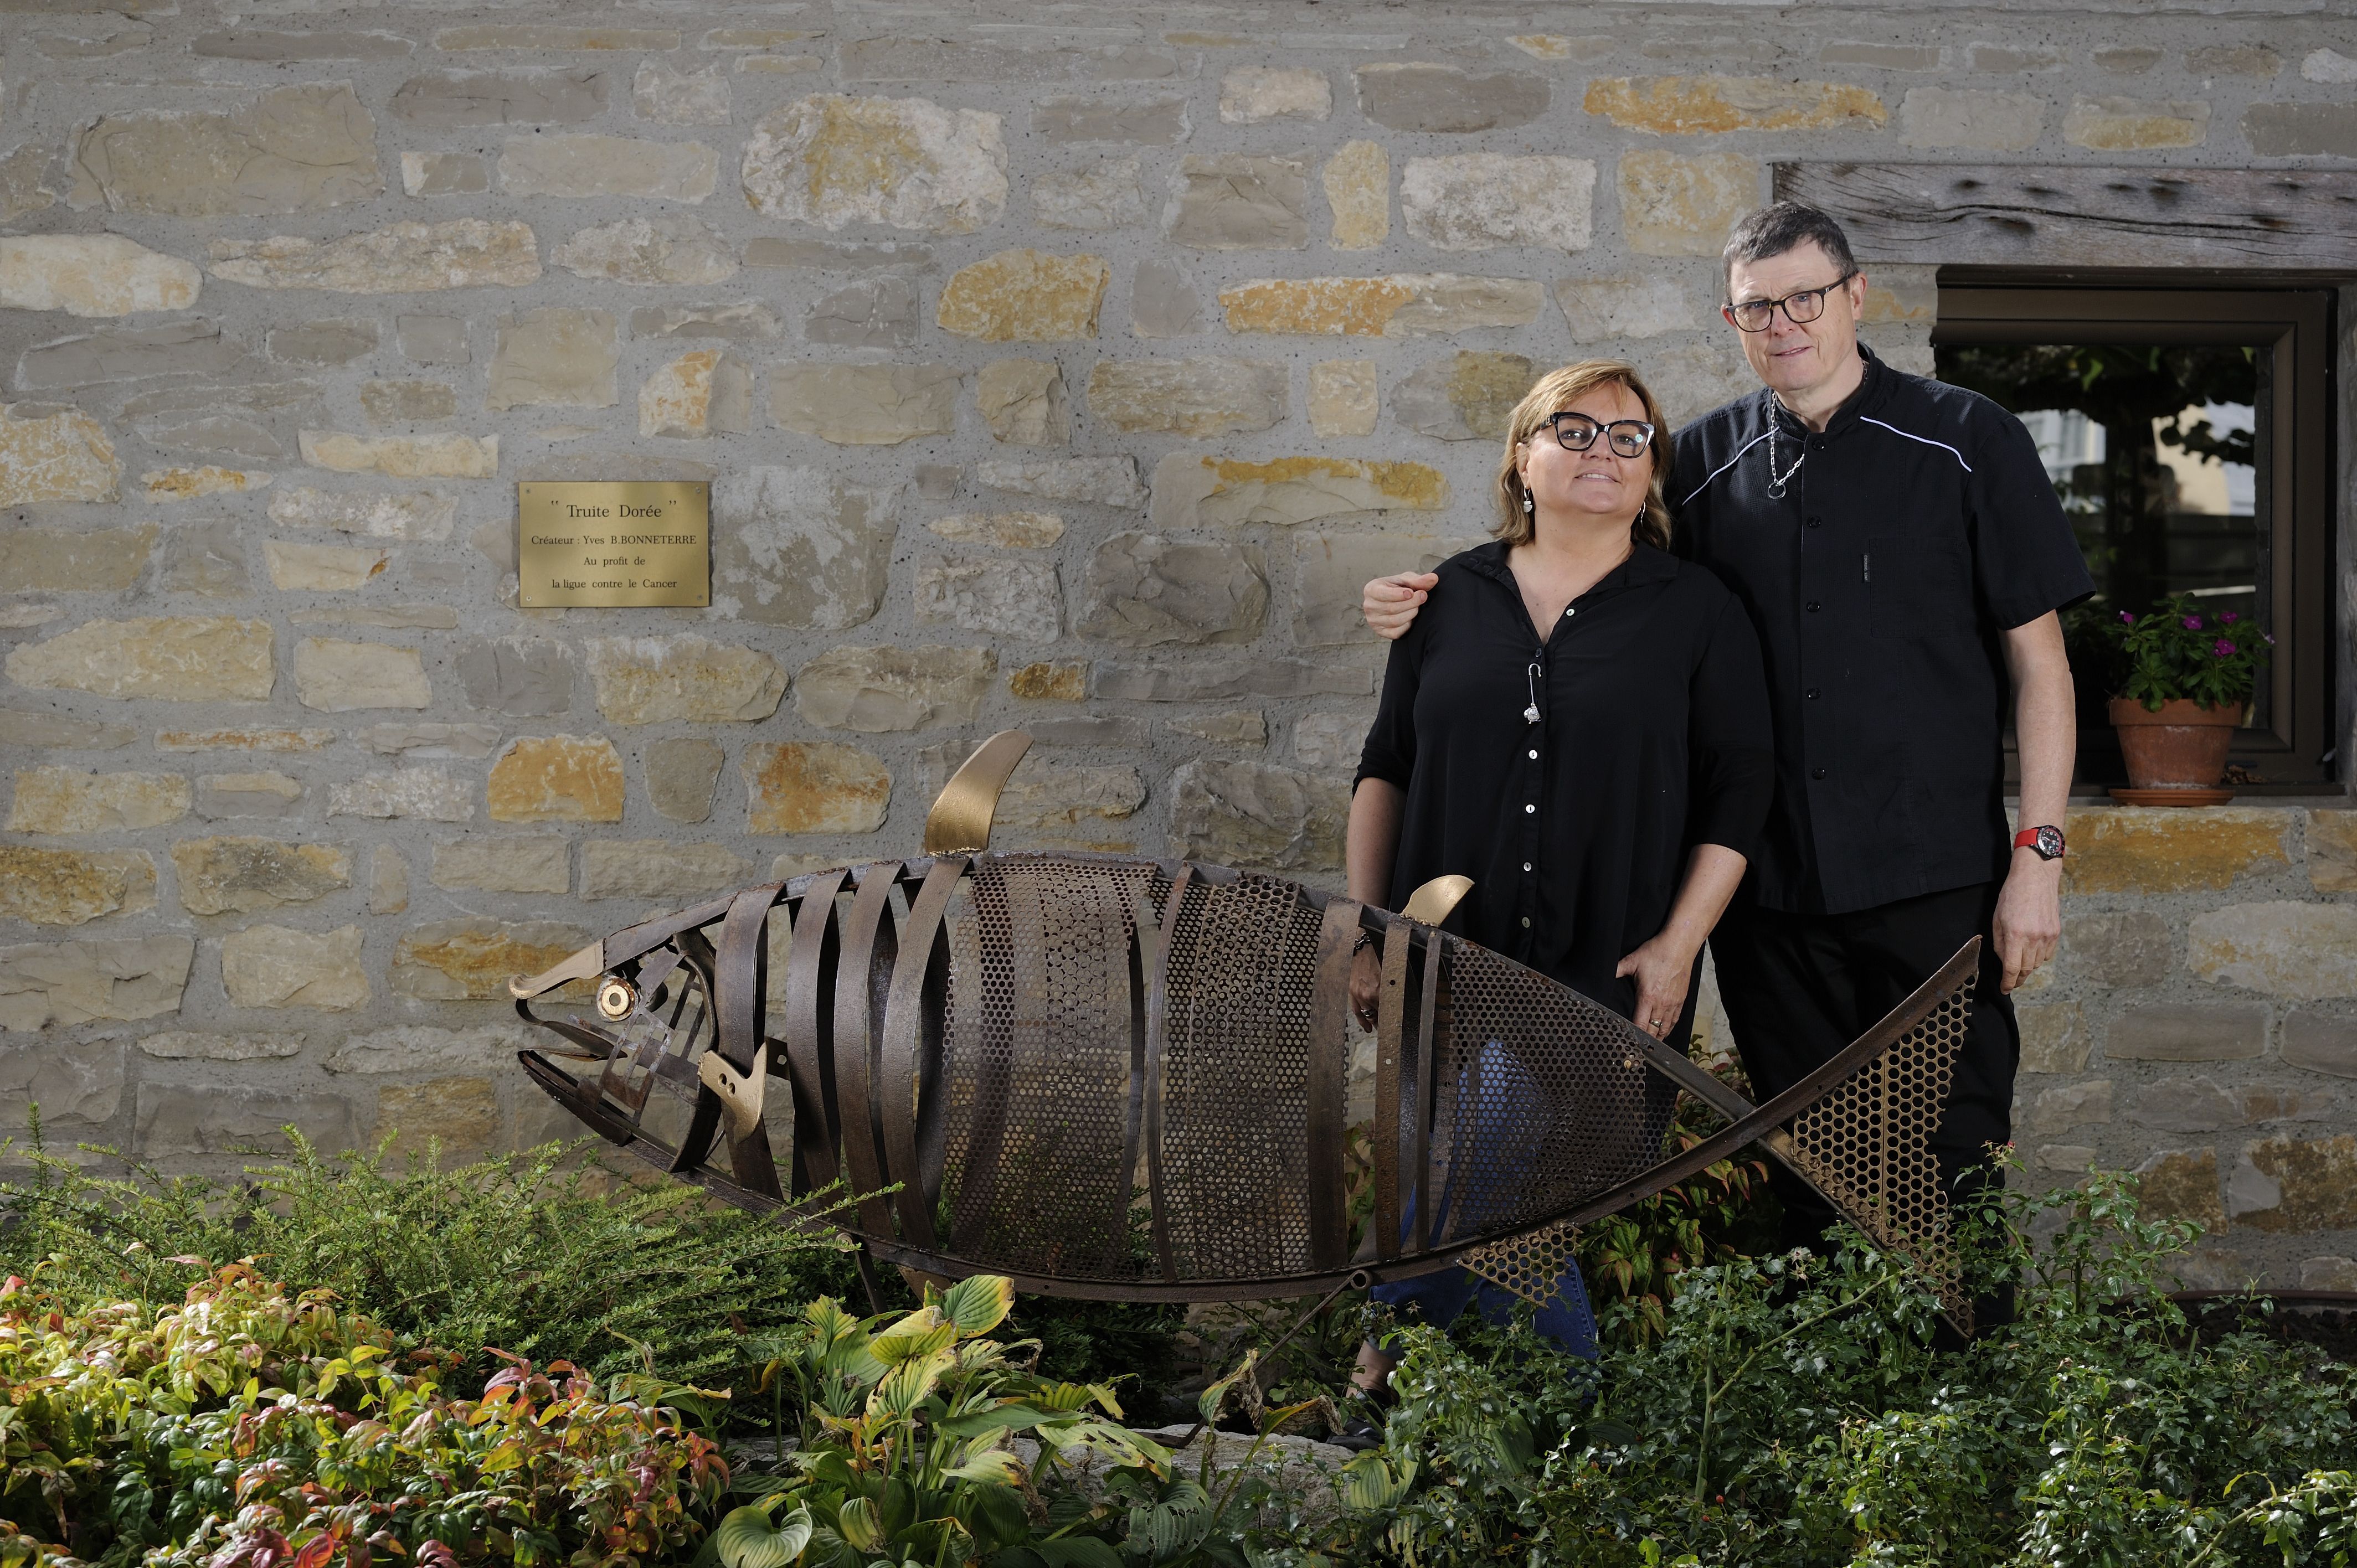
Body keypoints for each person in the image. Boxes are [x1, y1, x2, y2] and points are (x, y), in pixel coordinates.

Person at [1361, 204, 2090, 1320]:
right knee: (1809, 1174)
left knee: (1948, 1169)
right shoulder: (1696, 461)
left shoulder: (1964, 436)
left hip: (1932, 877)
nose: (1784, 323)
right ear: (1732, 320)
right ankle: (1834, 1448)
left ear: (1855, 297)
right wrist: (1428, 599)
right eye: (1758, 306)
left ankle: (1970, 1443)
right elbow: (1588, 588)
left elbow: (2041, 668)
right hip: (1769, 900)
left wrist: (2036, 856)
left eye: (1805, 297)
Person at [1339, 358, 1773, 1437]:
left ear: (1653, 473)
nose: (1604, 453)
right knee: (1507, 1222)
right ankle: (1549, 1456)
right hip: (1442, 965)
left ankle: (1368, 1389)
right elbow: (1384, 766)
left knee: (1490, 1198)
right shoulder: (1449, 599)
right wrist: (1367, 932)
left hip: (1605, 973)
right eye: (1575, 430)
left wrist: (1680, 944)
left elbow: (1741, 790)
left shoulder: (1694, 611)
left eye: (1631, 438)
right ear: (1521, 459)